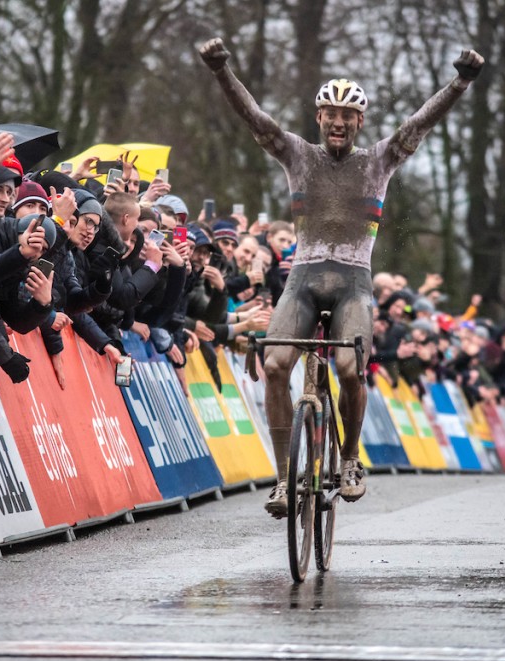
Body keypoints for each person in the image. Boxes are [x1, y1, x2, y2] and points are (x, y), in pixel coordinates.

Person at [200, 36, 484, 517]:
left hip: (353, 282)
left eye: (346, 116)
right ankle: (284, 480)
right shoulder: (297, 155)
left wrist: (460, 82)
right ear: (318, 119)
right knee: (273, 366)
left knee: (351, 369)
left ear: (359, 122)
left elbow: (420, 122)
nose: (337, 122)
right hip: (303, 280)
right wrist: (221, 70)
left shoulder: (378, 160)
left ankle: (350, 460)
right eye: (329, 114)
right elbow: (255, 119)